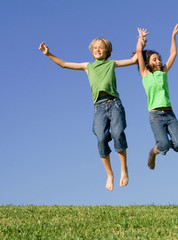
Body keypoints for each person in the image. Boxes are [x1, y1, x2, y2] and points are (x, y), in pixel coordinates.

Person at [39, 38, 137, 191]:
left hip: (114, 104)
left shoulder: (112, 64)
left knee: (118, 134)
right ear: (92, 51)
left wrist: (140, 42)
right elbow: (64, 64)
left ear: (107, 51)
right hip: (98, 107)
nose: (98, 50)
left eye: (101, 47)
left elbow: (133, 60)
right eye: (95, 48)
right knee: (101, 139)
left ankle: (124, 170)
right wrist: (48, 54)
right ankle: (110, 174)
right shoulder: (88, 66)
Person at [136, 23, 178, 170]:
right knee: (163, 145)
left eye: (159, 59)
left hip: (170, 113)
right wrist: (141, 38)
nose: (158, 61)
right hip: (155, 115)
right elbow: (139, 51)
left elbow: (173, 54)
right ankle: (153, 153)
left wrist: (173, 36)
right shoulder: (145, 74)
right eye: (154, 59)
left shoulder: (163, 72)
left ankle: (158, 149)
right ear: (147, 63)